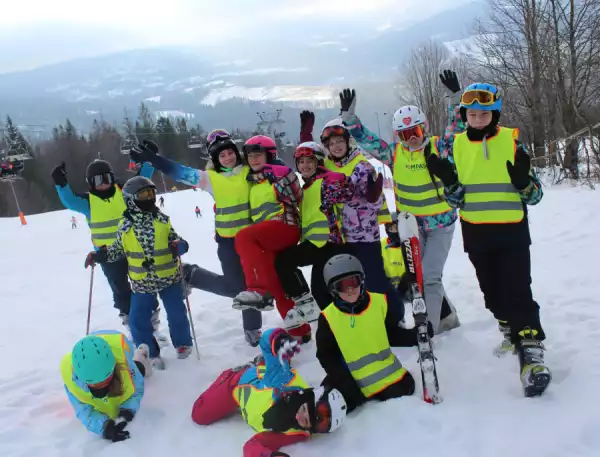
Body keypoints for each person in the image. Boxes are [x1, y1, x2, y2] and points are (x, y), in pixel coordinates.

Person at [426, 82, 551, 397]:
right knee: (493, 295)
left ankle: (531, 354)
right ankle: (509, 328)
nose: (477, 118)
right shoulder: (455, 146)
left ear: (494, 114)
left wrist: (523, 183)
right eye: (472, 113)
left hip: (512, 231)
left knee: (519, 291)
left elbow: (535, 196)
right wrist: (450, 181)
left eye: (484, 113)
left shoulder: (512, 142)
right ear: (465, 115)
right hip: (477, 234)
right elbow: (455, 202)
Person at [340, 73, 462, 334]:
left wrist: (455, 99)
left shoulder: (440, 147)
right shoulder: (394, 154)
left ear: (424, 128)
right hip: (411, 226)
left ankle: (428, 328)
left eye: (415, 131)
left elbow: (457, 127)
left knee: (430, 276)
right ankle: (447, 316)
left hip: (440, 224)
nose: (411, 139)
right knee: (420, 277)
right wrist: (350, 119)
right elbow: (367, 139)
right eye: (405, 134)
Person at [129, 133, 263, 347]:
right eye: (223, 155)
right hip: (228, 243)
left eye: (231, 153)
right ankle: (251, 327)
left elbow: (271, 162)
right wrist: (154, 160)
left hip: (254, 240)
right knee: (240, 287)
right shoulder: (210, 178)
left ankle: (196, 278)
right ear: (215, 159)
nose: (228, 158)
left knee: (252, 285)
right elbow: (180, 172)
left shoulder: (250, 172)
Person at [302, 113, 406, 325]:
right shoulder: (330, 166)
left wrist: (370, 197)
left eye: (340, 141)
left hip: (365, 235)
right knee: (351, 283)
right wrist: (306, 132)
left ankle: (395, 317)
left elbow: (376, 203)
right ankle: (361, 319)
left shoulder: (362, 165)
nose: (337, 146)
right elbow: (308, 159)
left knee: (375, 281)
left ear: (348, 142)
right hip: (341, 237)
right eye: (332, 143)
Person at [84, 176, 193, 369]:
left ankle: (183, 344)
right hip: (142, 282)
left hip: (169, 277)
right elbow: (117, 250)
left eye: (151, 193)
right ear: (131, 200)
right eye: (143, 195)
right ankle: (149, 352)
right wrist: (100, 255)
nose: (149, 198)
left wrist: (180, 246)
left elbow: (177, 240)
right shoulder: (125, 226)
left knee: (177, 312)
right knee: (137, 320)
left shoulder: (162, 220)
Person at [191, 328, 347, 457]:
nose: (300, 417)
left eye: (305, 422)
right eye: (304, 410)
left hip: (260, 387)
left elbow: (254, 445)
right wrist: (279, 339)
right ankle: (247, 368)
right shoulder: (283, 380)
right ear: (306, 397)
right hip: (238, 384)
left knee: (276, 363)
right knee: (199, 415)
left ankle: (266, 362)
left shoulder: (296, 433)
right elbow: (265, 341)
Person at [51, 159, 160, 330]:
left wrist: (148, 162)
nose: (103, 184)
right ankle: (130, 320)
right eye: (97, 181)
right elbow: (70, 201)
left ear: (112, 178)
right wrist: (61, 183)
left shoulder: (124, 192)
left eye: (106, 179)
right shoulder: (88, 202)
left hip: (133, 249)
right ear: (90, 183)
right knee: (120, 288)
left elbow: (140, 182)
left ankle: (152, 320)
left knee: (145, 284)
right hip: (107, 255)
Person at [316, 254, 428, 413]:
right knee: (328, 405)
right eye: (342, 286)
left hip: (388, 379)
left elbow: (391, 334)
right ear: (333, 290)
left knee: (403, 395)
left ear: (361, 281)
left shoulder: (379, 303)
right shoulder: (328, 318)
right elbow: (326, 355)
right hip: (352, 381)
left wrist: (415, 335)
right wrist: (343, 380)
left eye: (353, 282)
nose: (350, 290)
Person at [231, 135, 312, 342]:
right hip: (266, 238)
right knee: (277, 285)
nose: (254, 159)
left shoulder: (279, 175)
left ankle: (258, 290)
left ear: (270, 155)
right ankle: (300, 332)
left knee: (243, 238)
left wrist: (283, 174)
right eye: (250, 156)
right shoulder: (252, 184)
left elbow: (297, 194)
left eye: (259, 155)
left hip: (285, 227)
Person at [274, 140, 355, 329]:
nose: (305, 165)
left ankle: (304, 301)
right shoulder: (304, 190)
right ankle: (337, 328)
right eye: (301, 162)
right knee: (322, 292)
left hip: (328, 244)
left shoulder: (323, 184)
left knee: (284, 260)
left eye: (310, 160)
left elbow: (346, 193)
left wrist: (338, 179)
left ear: (319, 162)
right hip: (316, 245)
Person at [60, 331, 153, 442]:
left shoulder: (122, 361)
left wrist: (128, 408)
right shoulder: (70, 377)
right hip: (94, 350)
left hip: (112, 347)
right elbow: (83, 411)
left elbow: (137, 388)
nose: (102, 386)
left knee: (140, 370)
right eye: (95, 384)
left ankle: (141, 355)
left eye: (106, 380)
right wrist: (104, 427)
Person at [382, 213, 458, 328]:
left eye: (396, 227)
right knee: (429, 281)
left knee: (429, 280)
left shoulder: (409, 243)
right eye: (390, 228)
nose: (393, 231)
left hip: (412, 287)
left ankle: (439, 322)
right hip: (394, 290)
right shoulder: (383, 247)